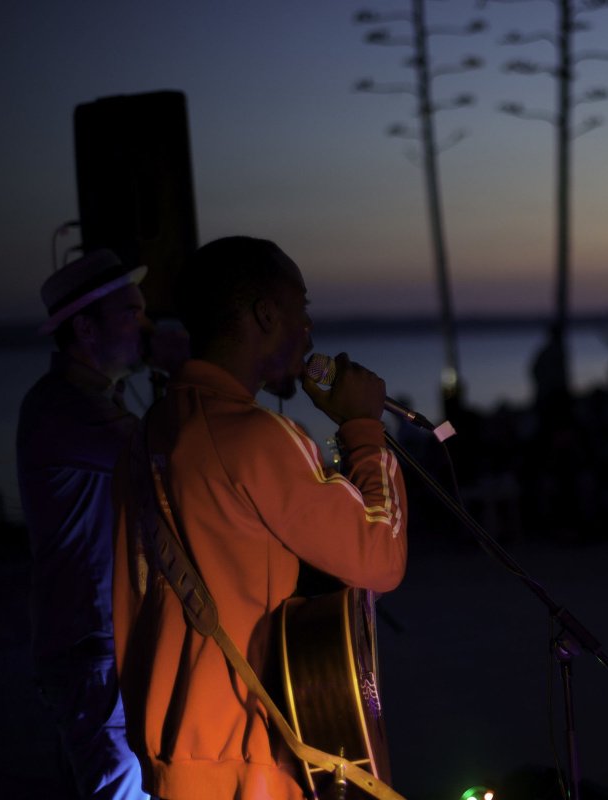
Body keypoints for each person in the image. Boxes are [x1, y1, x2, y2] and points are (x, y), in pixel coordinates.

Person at [111, 235, 409, 799]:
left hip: (173, 756)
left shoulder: (145, 435)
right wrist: (364, 430)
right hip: (246, 755)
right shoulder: (258, 437)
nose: (309, 331)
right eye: (303, 310)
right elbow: (380, 558)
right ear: (266, 314)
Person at [16, 248, 174, 800]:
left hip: (104, 643)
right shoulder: (63, 407)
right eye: (130, 312)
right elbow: (166, 459)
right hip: (93, 651)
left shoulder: (88, 400)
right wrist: (188, 370)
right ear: (85, 327)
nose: (145, 325)